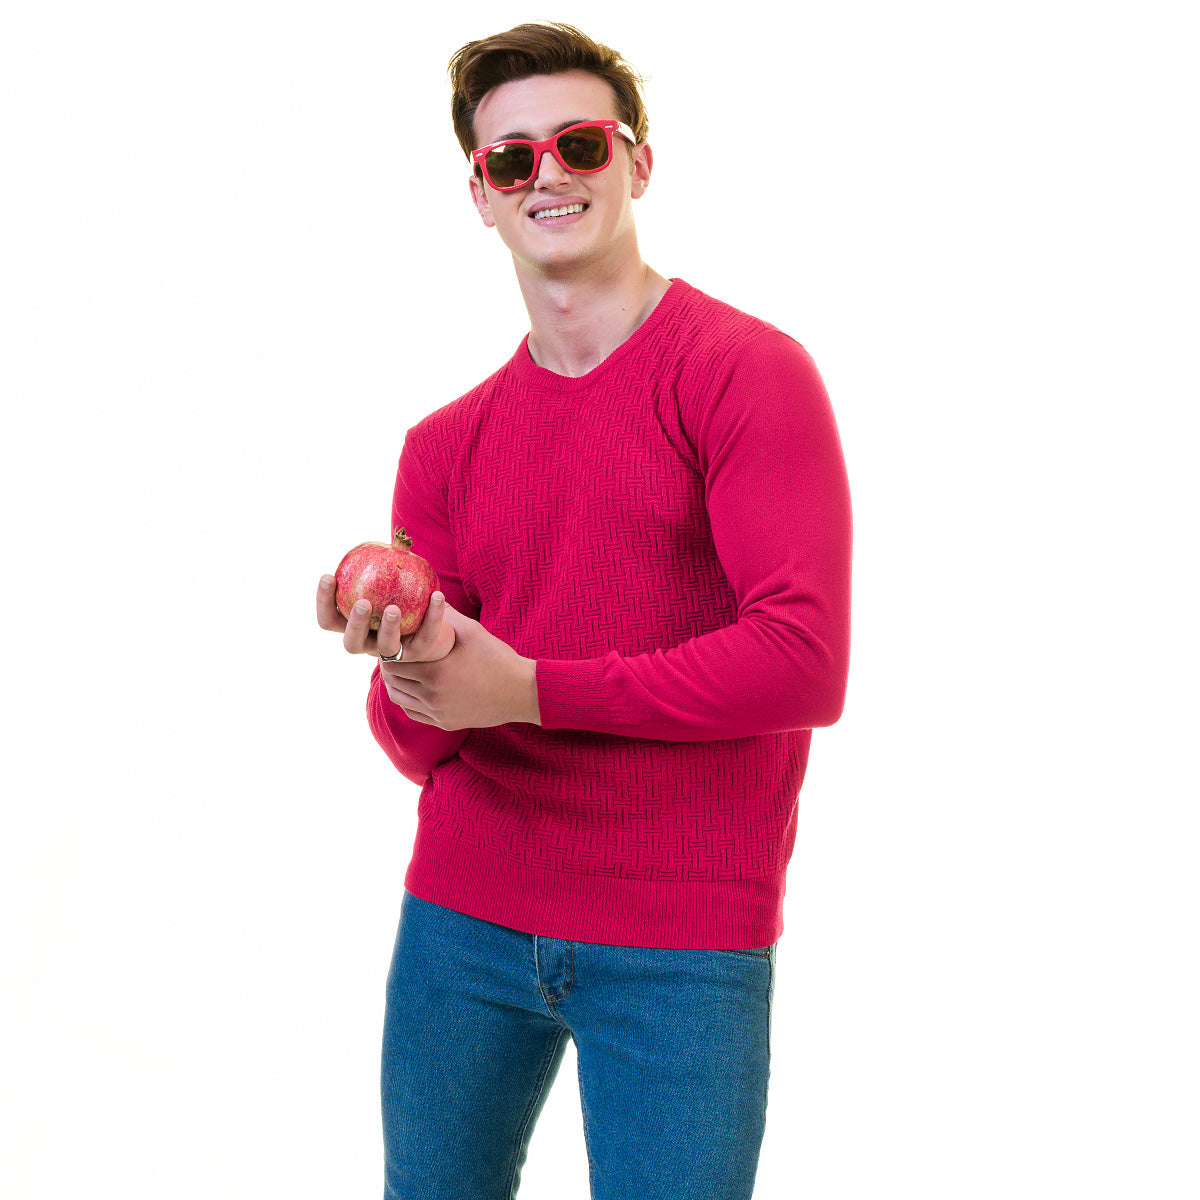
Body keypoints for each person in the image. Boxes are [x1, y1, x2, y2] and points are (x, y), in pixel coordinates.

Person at [316, 21, 852, 1200]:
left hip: (682, 941)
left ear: (637, 162)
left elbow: (802, 662)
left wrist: (523, 687)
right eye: (512, 158)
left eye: (580, 144)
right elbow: (417, 746)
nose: (547, 173)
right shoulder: (443, 445)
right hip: (462, 919)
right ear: (481, 194)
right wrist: (412, 665)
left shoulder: (743, 374)